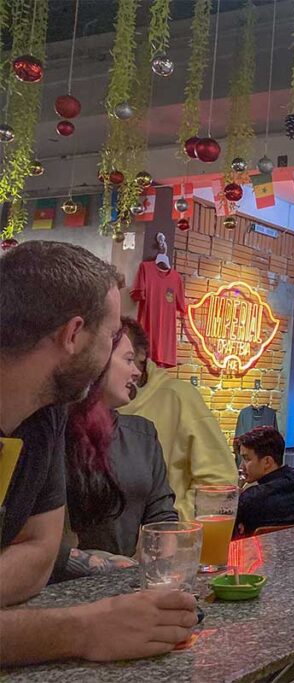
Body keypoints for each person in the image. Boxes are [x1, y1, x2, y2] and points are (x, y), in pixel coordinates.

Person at [0, 241, 196, 666]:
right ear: (73, 334)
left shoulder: (44, 415)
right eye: (110, 338)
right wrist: (84, 628)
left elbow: (38, 552)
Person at [51, 321, 178, 582]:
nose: (136, 373)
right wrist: (105, 564)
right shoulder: (49, 430)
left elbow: (163, 517)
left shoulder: (142, 434)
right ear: (97, 361)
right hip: (55, 590)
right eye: (129, 360)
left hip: (129, 585)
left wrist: (160, 574)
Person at [120, 318, 237, 520]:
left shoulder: (178, 397)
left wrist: (171, 525)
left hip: (166, 545)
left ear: (140, 358)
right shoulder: (86, 407)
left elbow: (220, 482)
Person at [234, 426, 294, 536]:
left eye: (247, 459)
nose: (241, 466)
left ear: (267, 462)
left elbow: (228, 532)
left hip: (263, 552)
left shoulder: (250, 498)